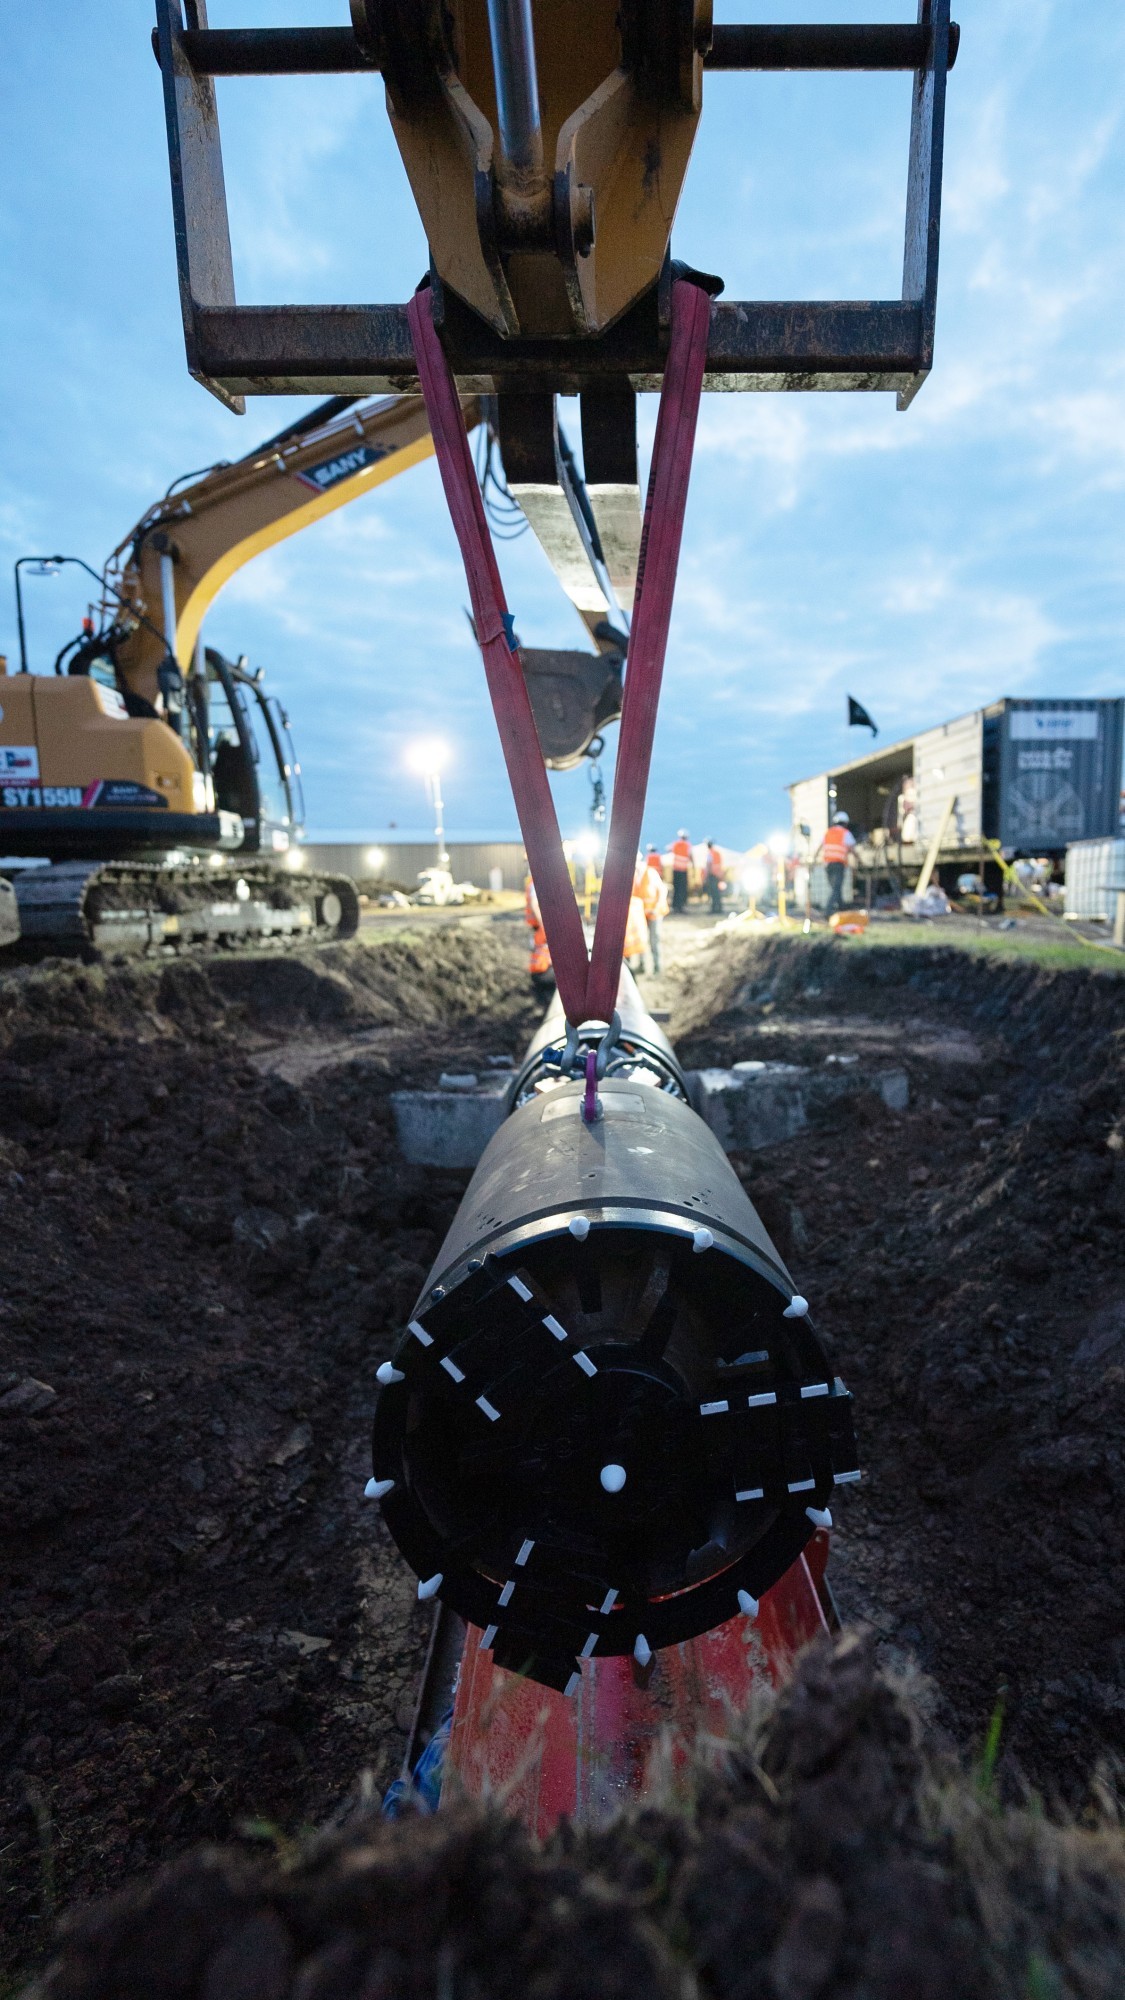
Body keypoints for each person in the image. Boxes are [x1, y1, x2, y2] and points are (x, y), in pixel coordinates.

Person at [820, 812, 857, 917]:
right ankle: (828, 912)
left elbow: (819, 847)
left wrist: (814, 861)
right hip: (838, 865)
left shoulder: (828, 833)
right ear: (845, 823)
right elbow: (852, 849)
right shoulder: (845, 833)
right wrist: (859, 859)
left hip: (828, 866)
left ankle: (842, 909)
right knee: (836, 889)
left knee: (836, 888)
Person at [524, 875, 555, 998]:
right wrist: (545, 925)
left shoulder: (538, 881)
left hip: (538, 927)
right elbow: (534, 903)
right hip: (540, 926)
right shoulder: (538, 882)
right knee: (545, 952)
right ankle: (544, 984)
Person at [641, 848, 668, 973]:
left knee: (654, 940)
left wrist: (656, 907)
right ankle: (642, 966)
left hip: (654, 913)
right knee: (641, 939)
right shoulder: (632, 876)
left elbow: (662, 890)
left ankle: (657, 967)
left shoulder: (650, 873)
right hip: (642, 915)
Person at [624, 859, 650, 976]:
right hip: (635, 912)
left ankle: (642, 966)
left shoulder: (648, 874)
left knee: (642, 940)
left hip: (645, 912)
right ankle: (628, 969)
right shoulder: (632, 875)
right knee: (632, 941)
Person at [670, 829, 692, 912]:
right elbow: (690, 856)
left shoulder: (675, 844)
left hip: (675, 870)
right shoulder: (687, 845)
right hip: (683, 871)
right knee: (682, 889)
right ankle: (681, 906)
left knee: (676, 889)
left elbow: (671, 852)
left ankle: (675, 906)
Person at [703, 839, 725, 916]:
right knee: (717, 893)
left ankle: (714, 909)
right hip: (718, 875)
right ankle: (719, 908)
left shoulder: (710, 854)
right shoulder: (717, 853)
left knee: (713, 893)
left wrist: (706, 877)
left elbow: (709, 865)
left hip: (712, 875)